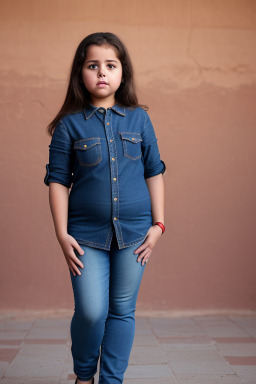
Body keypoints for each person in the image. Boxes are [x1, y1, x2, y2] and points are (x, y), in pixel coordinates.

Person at [44, 32, 166, 384]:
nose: (102, 72)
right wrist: (62, 234)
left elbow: (154, 171)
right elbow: (57, 181)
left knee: (122, 311)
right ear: (80, 73)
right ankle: (84, 375)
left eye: (110, 65)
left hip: (134, 233)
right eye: (92, 65)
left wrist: (159, 226)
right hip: (84, 235)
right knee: (91, 311)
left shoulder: (139, 120)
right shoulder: (69, 125)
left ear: (122, 73)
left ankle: (112, 381)